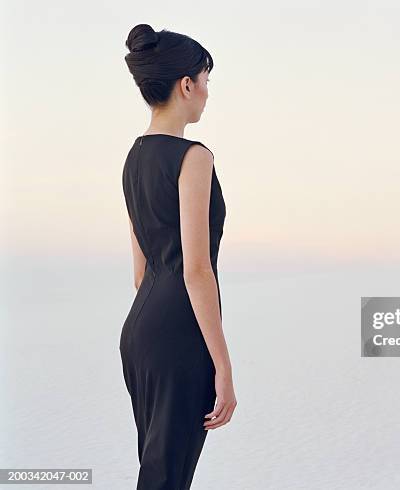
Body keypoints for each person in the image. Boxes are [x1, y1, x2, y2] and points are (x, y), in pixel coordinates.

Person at [119, 23, 237, 490]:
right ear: (186, 85)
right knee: (167, 479)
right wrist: (223, 365)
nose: (207, 94)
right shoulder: (194, 156)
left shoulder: (134, 157)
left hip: (140, 333)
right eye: (206, 81)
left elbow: (140, 271)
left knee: (158, 471)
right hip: (178, 336)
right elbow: (195, 268)